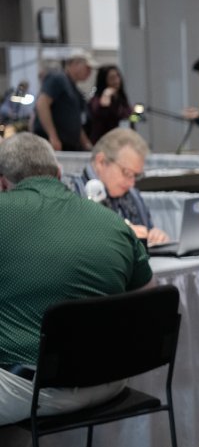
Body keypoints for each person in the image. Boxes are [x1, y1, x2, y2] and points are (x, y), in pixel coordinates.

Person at [0, 133, 152, 425]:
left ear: (3, 183)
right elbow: (147, 299)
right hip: (111, 380)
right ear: (58, 174)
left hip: (30, 389)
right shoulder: (113, 223)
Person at [67, 128, 169, 246]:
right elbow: (70, 244)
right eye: (127, 173)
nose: (132, 183)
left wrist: (154, 236)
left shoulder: (133, 195)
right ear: (101, 161)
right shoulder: (70, 192)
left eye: (136, 176)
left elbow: (146, 231)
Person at [32, 49, 95, 152]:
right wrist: (53, 136)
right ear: (75, 64)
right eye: (87, 68)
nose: (89, 72)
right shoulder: (57, 79)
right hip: (53, 145)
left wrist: (87, 145)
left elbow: (76, 122)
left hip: (68, 146)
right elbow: (42, 104)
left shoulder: (75, 90)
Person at [87, 65, 132, 144]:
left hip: (122, 141)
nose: (116, 81)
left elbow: (130, 118)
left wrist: (135, 115)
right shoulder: (97, 100)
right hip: (105, 143)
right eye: (112, 78)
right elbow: (99, 117)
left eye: (118, 76)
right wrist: (106, 96)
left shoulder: (121, 99)